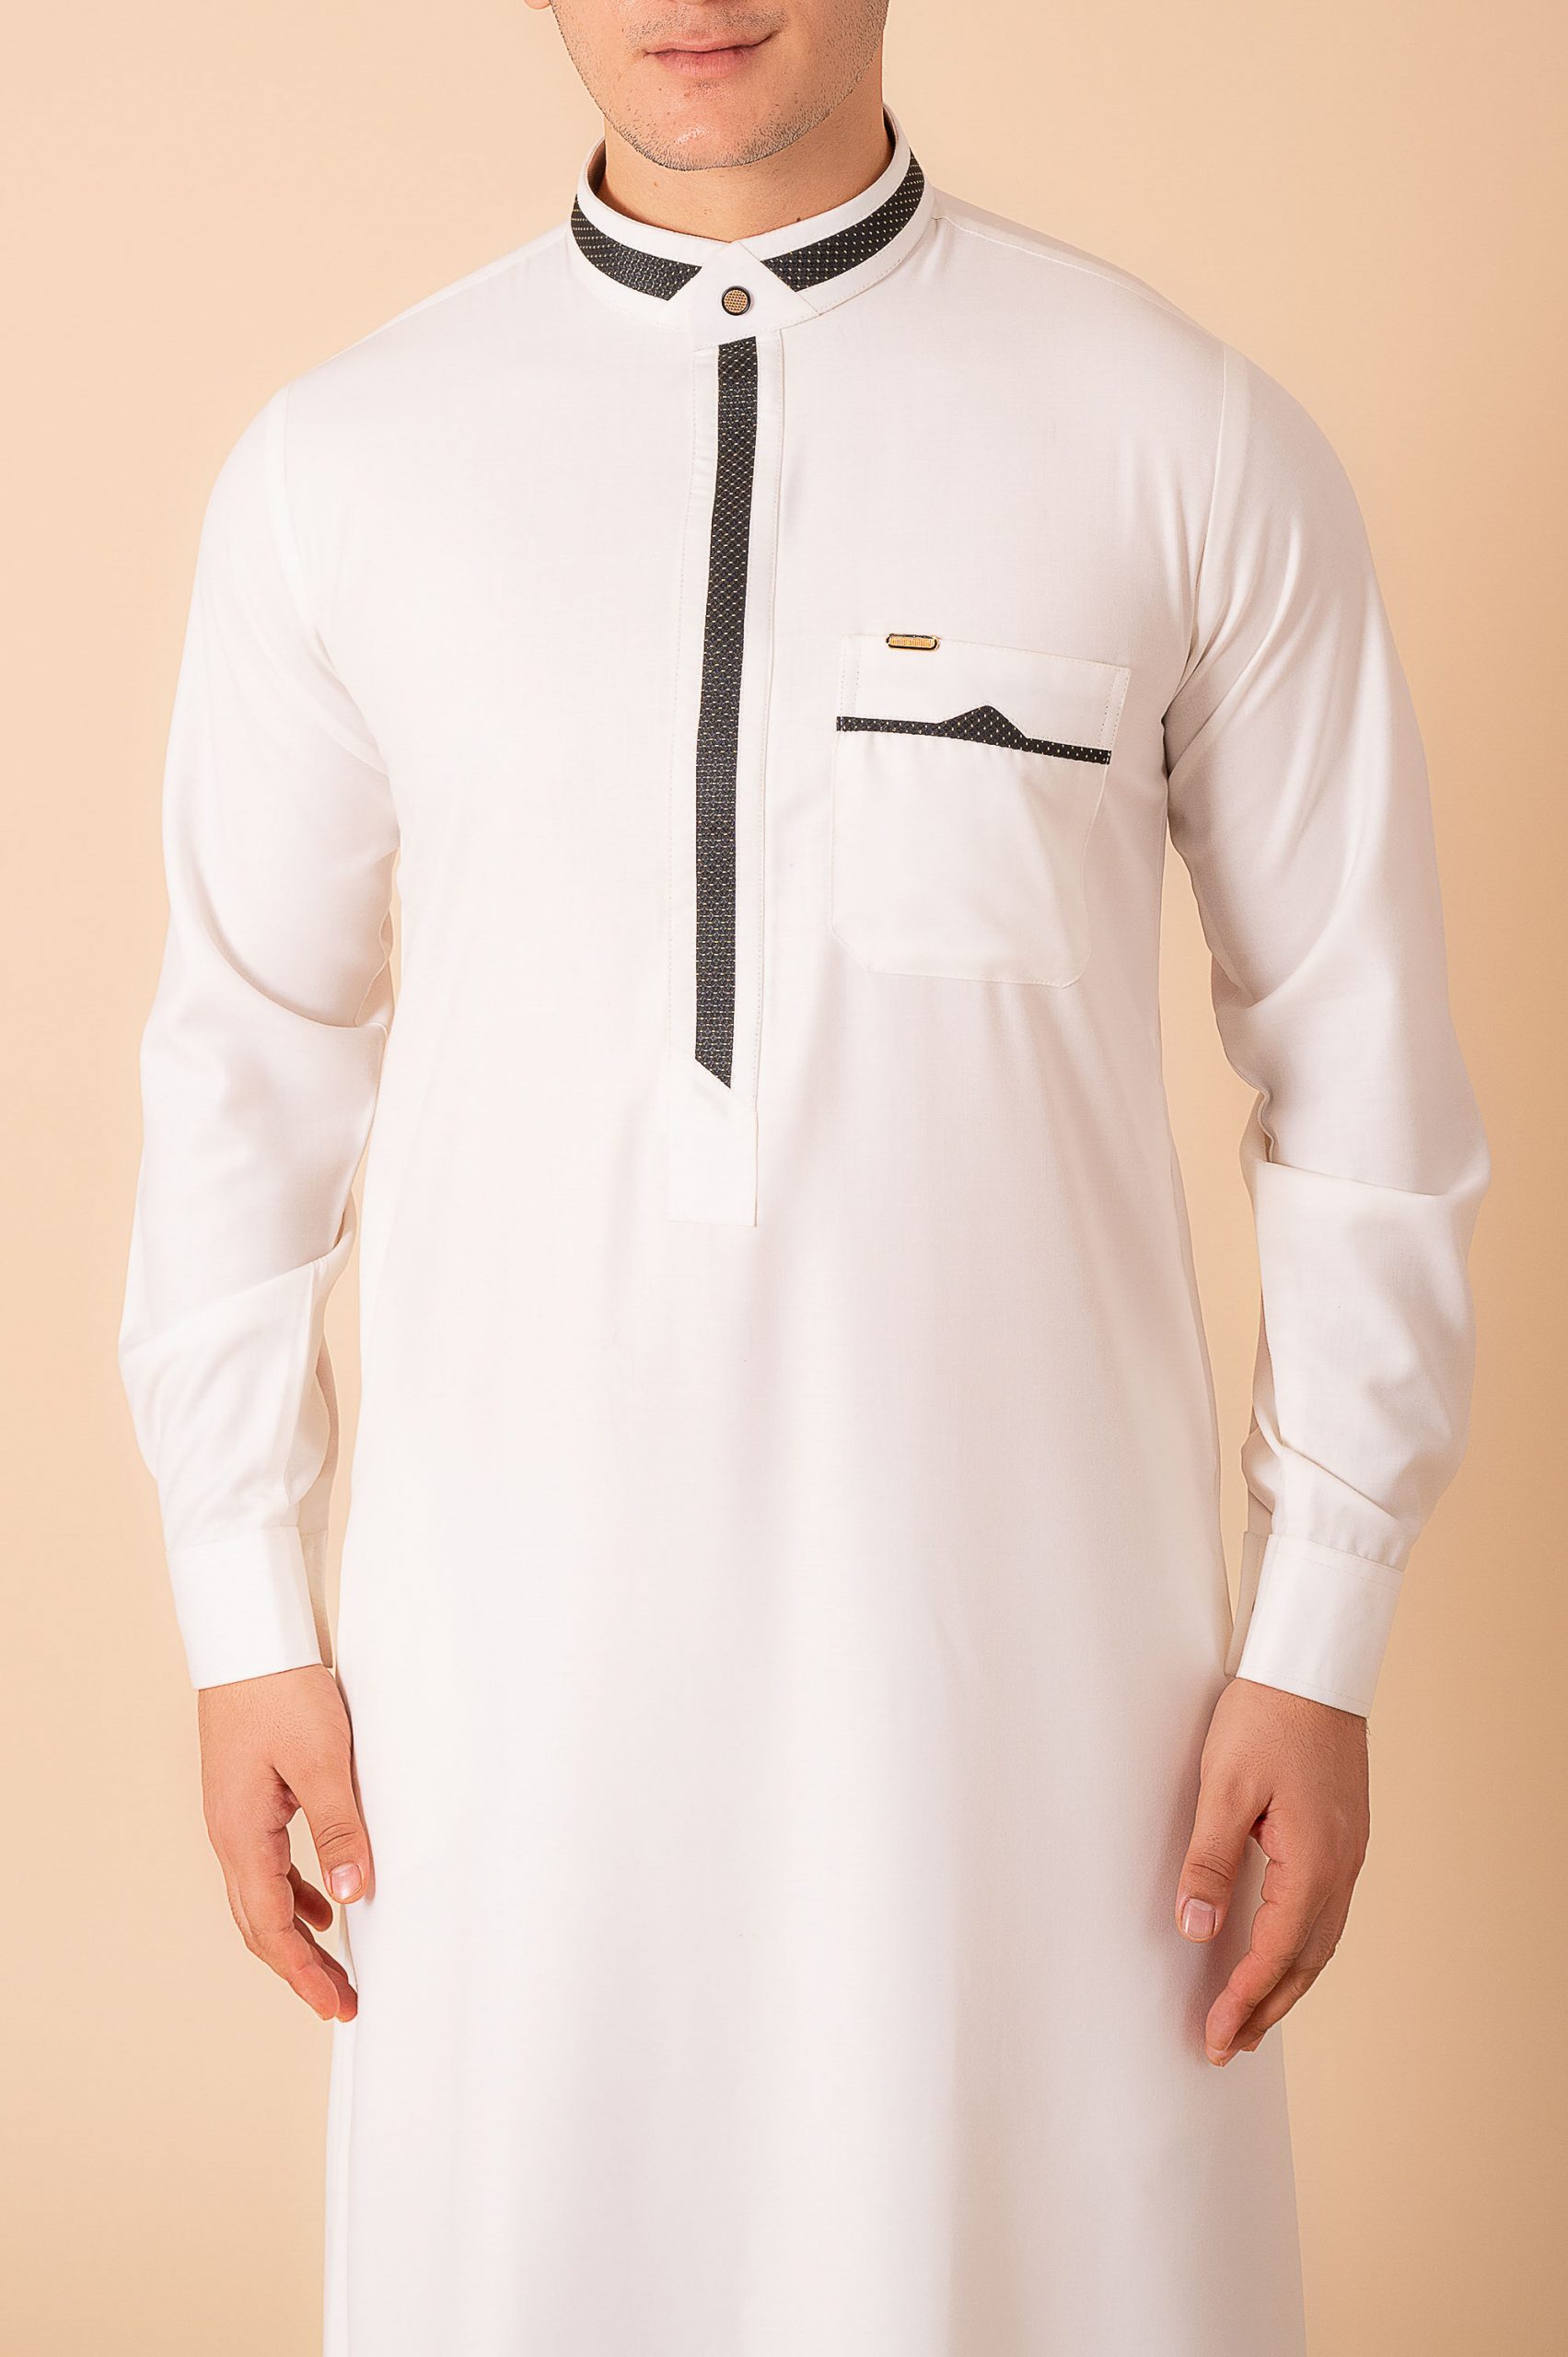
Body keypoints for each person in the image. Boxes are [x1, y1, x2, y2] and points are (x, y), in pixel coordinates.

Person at [116, 6, 1490, 2351]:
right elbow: (246, 1060)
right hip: (508, 1703)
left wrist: (1324, 1621)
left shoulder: (1178, 434)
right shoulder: (341, 472)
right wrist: (240, 1597)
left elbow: (1363, 1071)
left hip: (1052, 1717)